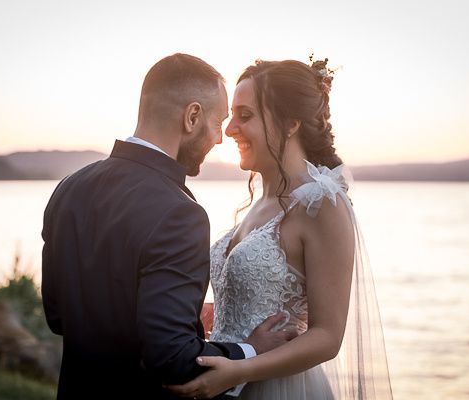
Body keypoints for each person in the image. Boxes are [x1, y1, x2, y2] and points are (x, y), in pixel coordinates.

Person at [41, 53, 295, 399]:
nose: (220, 139)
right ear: (192, 116)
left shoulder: (69, 188)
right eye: (217, 122)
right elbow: (172, 360)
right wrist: (249, 349)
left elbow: (57, 316)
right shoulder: (179, 214)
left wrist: (180, 321)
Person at [167, 58, 393, 399]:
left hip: (278, 387)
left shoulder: (321, 204)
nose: (229, 130)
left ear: (290, 123)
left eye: (246, 116)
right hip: (227, 379)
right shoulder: (258, 203)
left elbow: (327, 337)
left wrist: (240, 370)